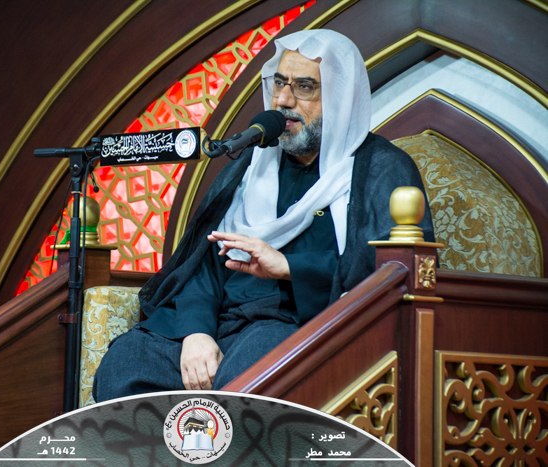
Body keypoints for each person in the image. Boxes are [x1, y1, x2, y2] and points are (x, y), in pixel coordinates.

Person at [93, 29, 434, 401]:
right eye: (280, 83)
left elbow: (394, 275)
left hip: (297, 325)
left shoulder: (381, 169)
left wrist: (289, 267)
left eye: (304, 87)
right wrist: (196, 333)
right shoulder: (253, 164)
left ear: (341, 97)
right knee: (128, 363)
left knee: (255, 370)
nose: (283, 100)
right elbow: (204, 265)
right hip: (222, 326)